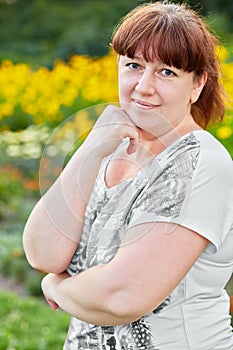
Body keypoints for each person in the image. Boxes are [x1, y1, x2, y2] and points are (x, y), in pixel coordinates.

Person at [23, 1, 233, 349]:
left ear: (197, 85)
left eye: (167, 72)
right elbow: (43, 253)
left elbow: (124, 295)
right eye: (134, 66)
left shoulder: (201, 164)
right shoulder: (113, 148)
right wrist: (91, 150)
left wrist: (55, 286)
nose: (144, 86)